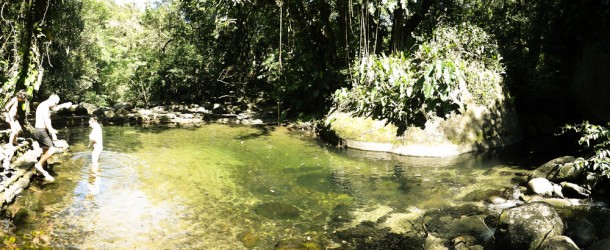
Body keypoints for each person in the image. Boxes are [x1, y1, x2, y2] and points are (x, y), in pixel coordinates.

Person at [31, 94, 64, 182]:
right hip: (41, 131)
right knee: (52, 149)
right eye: (55, 104)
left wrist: (52, 132)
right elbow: (46, 120)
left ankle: (40, 173)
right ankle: (38, 165)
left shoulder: (43, 105)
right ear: (53, 101)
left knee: (45, 151)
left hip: (39, 131)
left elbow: (48, 119)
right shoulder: (45, 106)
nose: (54, 106)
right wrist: (52, 130)